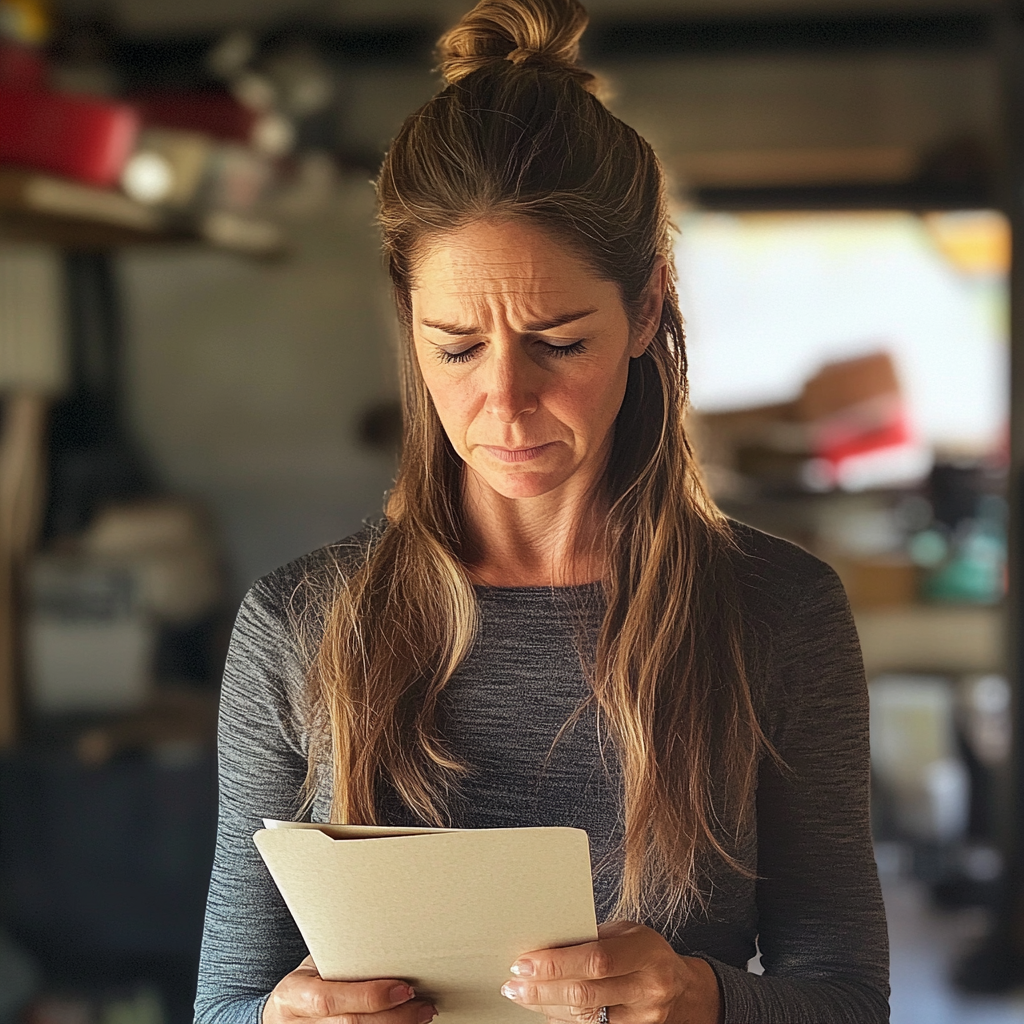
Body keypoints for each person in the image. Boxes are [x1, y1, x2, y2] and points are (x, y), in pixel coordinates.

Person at [193, 1, 890, 1022]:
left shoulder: (777, 612)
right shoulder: (298, 627)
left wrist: (703, 996)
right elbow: (224, 1000)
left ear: (646, 307)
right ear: (408, 315)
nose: (505, 404)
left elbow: (848, 998)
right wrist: (281, 1017)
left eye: (559, 342)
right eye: (456, 347)